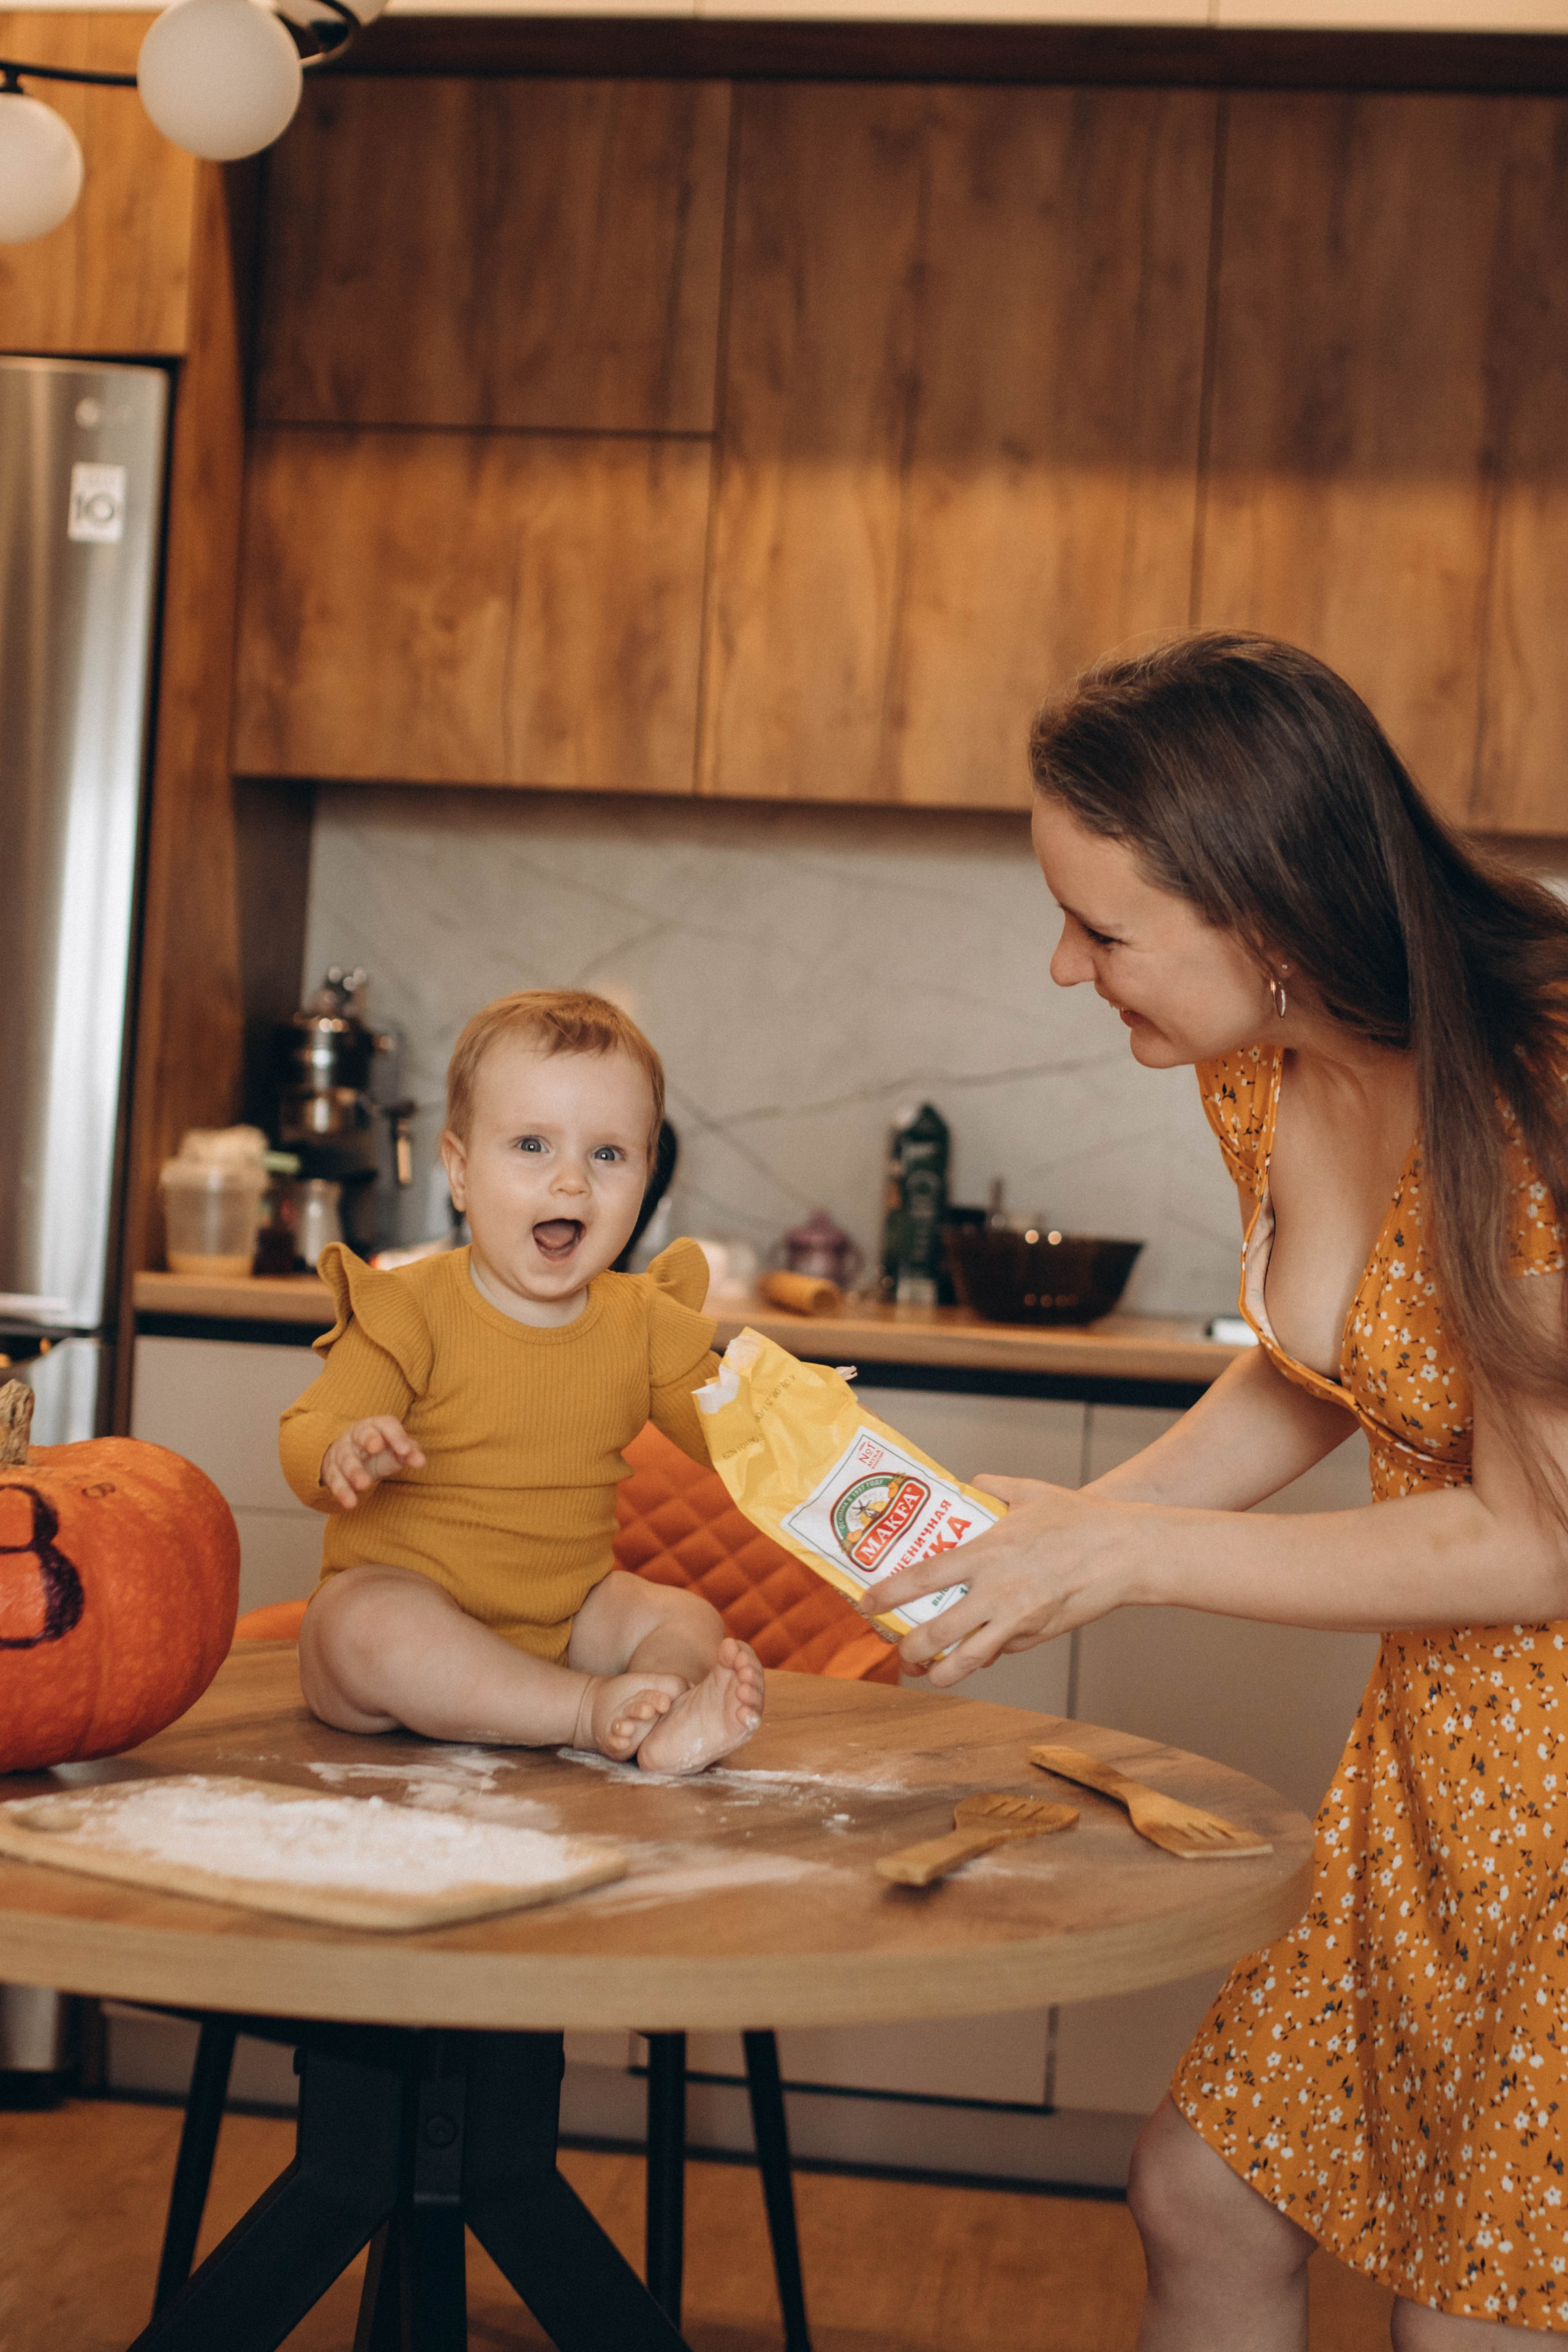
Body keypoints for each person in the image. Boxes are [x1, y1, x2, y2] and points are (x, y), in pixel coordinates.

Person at [865, 633, 1568, 2343]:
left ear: (1265, 921)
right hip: (1446, 1754)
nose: (1063, 964)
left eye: (1100, 930)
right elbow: (1338, 1361)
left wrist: (1127, 1550)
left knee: (1469, 2313)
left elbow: (1535, 1539)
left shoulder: (1535, 1088)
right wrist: (1042, 1544)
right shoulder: (1262, 1066)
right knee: (1204, 2194)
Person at [280, 987, 764, 1774]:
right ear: (460, 1172)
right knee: (360, 1623)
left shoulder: (643, 1321)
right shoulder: (407, 1310)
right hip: (408, 1617)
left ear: (647, 1179)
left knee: (684, 1616)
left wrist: (804, 1430)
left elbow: (738, 1441)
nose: (571, 1182)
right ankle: (583, 1712)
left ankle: (667, 1713)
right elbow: (305, 1434)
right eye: (533, 1145)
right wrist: (340, 1450)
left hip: (566, 1622)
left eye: (607, 1155)